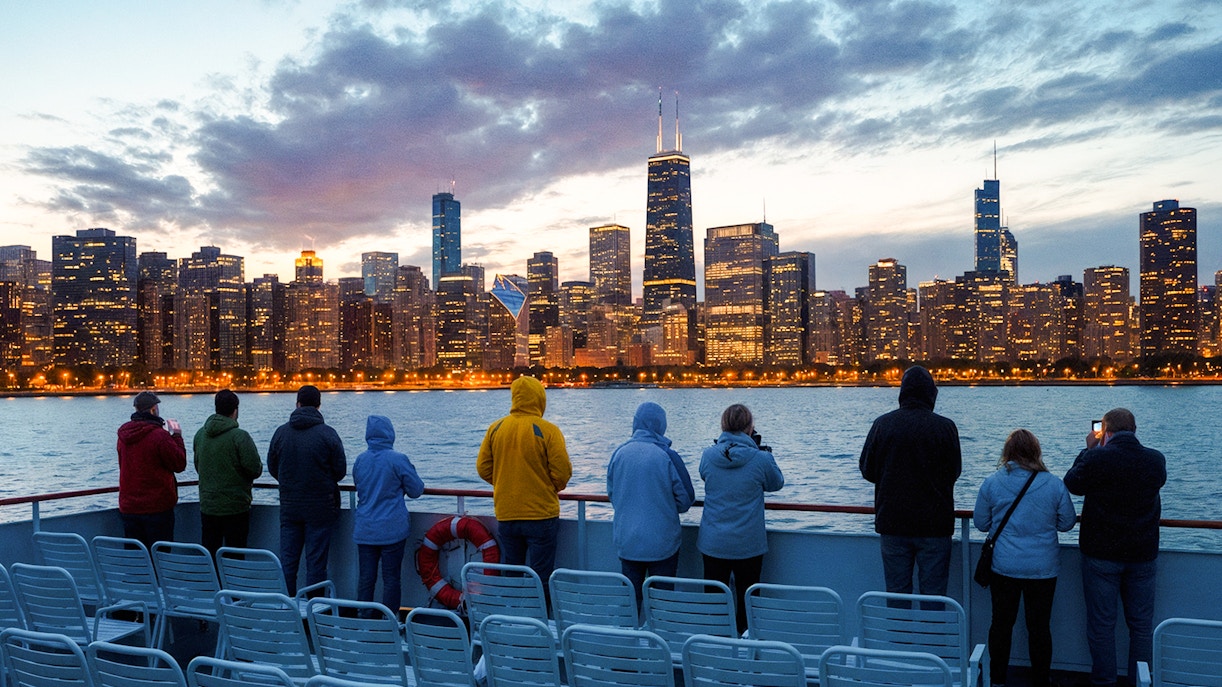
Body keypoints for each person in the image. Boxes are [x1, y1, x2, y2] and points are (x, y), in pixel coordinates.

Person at [1064, 408, 1166, 687]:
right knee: (1142, 628)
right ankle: (1140, 681)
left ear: (1105, 431)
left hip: (1101, 554)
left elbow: (1072, 483)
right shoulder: (1155, 460)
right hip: (1143, 555)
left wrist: (1089, 449)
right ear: (1134, 429)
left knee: (1101, 626)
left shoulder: (1097, 456)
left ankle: (1104, 681)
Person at [974, 429, 1077, 687]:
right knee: (1039, 628)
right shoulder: (1054, 484)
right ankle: (1041, 680)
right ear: (1036, 452)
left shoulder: (992, 482)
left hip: (1004, 566)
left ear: (1007, 453)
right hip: (1043, 568)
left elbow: (980, 522)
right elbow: (1066, 523)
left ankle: (997, 680)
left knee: (1001, 624)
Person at [859, 365, 962, 596]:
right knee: (934, 597)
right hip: (935, 525)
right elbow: (955, 471)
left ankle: (900, 632)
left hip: (893, 523)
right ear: (931, 394)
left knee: (896, 594)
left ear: (902, 392)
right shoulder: (945, 427)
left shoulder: (882, 425)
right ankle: (930, 632)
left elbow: (867, 470)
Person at [476, 376, 572, 591]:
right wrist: (548, 487)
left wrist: (504, 481)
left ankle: (515, 619)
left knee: (513, 573)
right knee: (542, 576)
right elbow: (562, 472)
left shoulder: (496, 428)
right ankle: (541, 622)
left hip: (507, 514)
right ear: (540, 399)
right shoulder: (547, 430)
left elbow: (483, 468)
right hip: (541, 514)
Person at [697, 403, 784, 635]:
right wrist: (765, 454)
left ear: (723, 425)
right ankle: (746, 655)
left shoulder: (707, 456)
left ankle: (717, 651)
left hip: (713, 541)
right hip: (748, 543)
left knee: (715, 604)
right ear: (750, 427)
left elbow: (705, 476)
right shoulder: (760, 459)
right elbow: (777, 484)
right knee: (749, 601)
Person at [607, 402, 696, 605]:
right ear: (661, 425)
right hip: (662, 543)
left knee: (629, 602)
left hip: (627, 540)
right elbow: (686, 499)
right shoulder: (667, 455)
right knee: (662, 602)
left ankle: (630, 635)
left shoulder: (619, 454)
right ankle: (659, 634)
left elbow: (613, 494)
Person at [267, 385, 347, 596]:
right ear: (319, 406)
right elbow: (340, 472)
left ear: (298, 404)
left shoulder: (281, 433)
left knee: (288, 563)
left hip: (290, 507)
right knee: (316, 564)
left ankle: (288, 610)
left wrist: (290, 482)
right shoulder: (328, 434)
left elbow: (273, 467)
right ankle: (314, 613)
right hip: (321, 507)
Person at [352, 415, 425, 618]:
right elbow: (416, 490)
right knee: (391, 578)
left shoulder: (360, 460)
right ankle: (390, 619)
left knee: (366, 578)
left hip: (365, 528)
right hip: (392, 529)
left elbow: (359, 487)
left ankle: (363, 618)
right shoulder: (398, 459)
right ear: (390, 433)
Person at [193, 389, 263, 557]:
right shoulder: (240, 436)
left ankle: (213, 584)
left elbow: (198, 466)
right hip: (235, 507)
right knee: (235, 555)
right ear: (235, 410)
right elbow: (255, 469)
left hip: (208, 506)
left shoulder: (200, 435)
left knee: (210, 555)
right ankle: (232, 584)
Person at [117, 390, 187, 549]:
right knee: (160, 557)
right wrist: (176, 436)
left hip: (129, 507)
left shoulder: (123, 437)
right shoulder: (159, 436)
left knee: (137, 560)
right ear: (153, 409)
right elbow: (179, 464)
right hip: (157, 508)